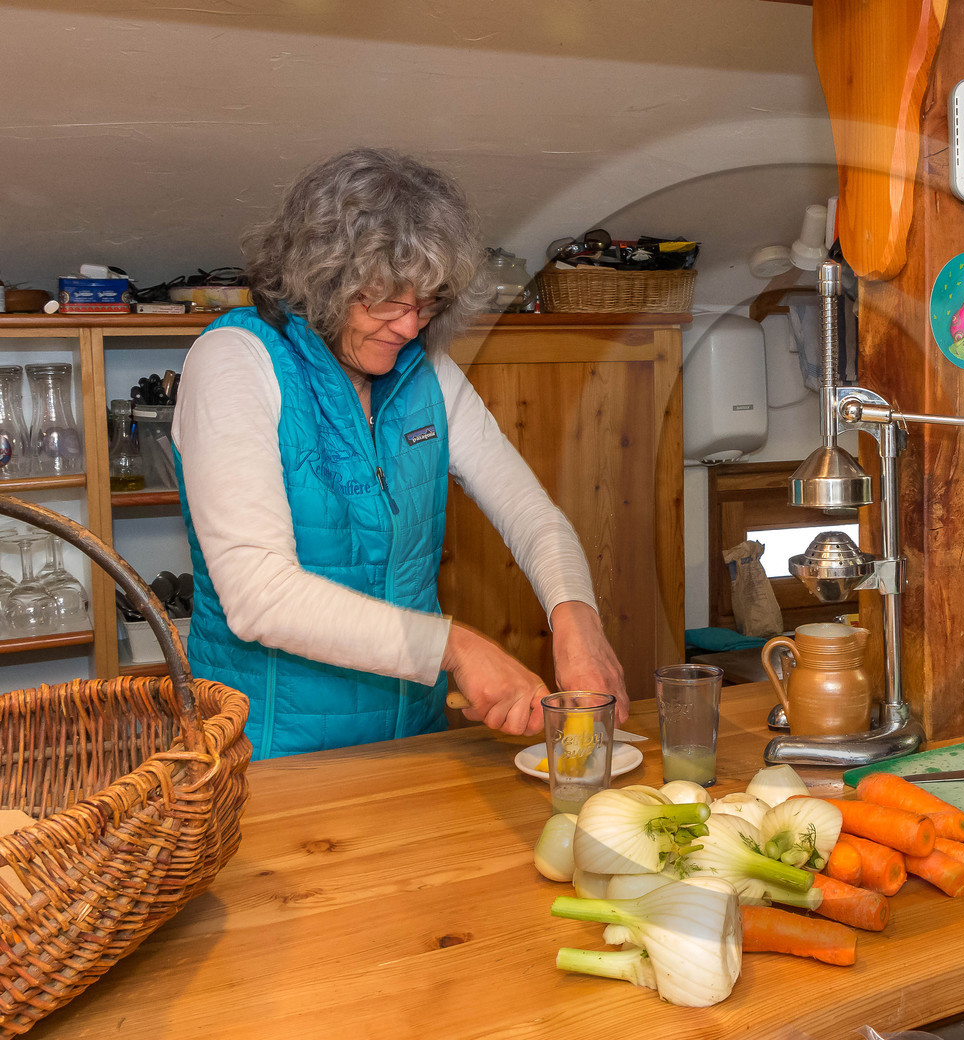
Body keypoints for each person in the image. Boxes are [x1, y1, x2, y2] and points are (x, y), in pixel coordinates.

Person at [173, 147, 629, 760]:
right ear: (321, 278)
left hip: (413, 745)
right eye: (385, 300)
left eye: (429, 301)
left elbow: (533, 515)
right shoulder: (234, 361)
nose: (410, 326)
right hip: (268, 752)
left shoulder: (425, 372)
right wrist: (458, 649)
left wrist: (578, 621)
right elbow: (260, 596)